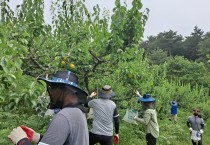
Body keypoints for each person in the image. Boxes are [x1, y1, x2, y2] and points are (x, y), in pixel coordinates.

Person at [8, 70, 89, 145]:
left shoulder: (64, 116)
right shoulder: (78, 112)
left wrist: (21, 141)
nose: (51, 92)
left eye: (53, 87)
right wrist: (38, 137)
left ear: (62, 89)